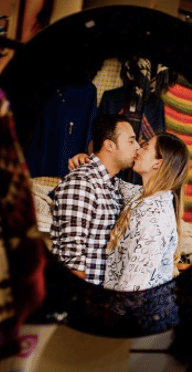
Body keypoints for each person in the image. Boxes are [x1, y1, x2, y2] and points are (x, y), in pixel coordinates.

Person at [70, 132, 190, 291]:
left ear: (157, 163)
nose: (139, 149)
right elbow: (110, 182)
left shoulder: (154, 217)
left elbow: (134, 287)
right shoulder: (141, 195)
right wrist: (85, 160)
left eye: (146, 147)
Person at [50, 114, 139, 285]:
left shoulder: (113, 185)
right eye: (131, 141)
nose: (137, 147)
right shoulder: (82, 182)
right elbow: (72, 261)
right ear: (109, 145)